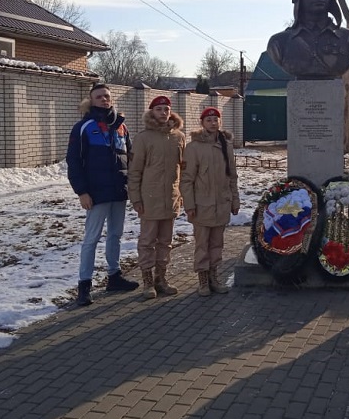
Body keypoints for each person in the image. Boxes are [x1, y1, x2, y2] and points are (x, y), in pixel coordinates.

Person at [66, 83, 139, 306]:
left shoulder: (121, 127)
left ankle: (114, 277)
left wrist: (133, 186)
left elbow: (131, 158)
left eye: (107, 96)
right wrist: (82, 192)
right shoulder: (83, 127)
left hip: (119, 191)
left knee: (115, 235)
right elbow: (74, 162)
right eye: (99, 97)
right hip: (96, 193)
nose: (104, 100)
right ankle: (84, 285)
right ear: (91, 100)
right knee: (91, 239)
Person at [128, 95, 185, 300]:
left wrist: (182, 196)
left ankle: (162, 279)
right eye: (159, 109)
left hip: (170, 198)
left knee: (165, 242)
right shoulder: (143, 138)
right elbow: (134, 171)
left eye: (166, 109)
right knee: (147, 241)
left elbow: (183, 169)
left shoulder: (178, 137)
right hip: (149, 199)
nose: (163, 112)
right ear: (152, 112)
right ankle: (148, 282)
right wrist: (136, 198)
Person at [180, 107, 240, 296]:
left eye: (216, 120)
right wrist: (189, 205)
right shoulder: (194, 147)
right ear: (202, 123)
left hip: (222, 204)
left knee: (217, 244)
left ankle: (214, 276)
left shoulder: (226, 145)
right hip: (201, 206)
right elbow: (187, 179)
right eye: (209, 120)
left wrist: (235, 200)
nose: (213, 123)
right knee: (202, 245)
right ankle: (203, 281)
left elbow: (232, 176)